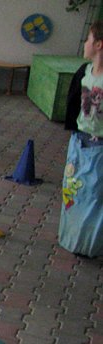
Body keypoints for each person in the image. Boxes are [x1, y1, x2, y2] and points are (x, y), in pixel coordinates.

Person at [59, 21, 103, 258]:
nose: (84, 44)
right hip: (79, 142)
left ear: (98, 44)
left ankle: (89, 244)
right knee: (74, 191)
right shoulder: (84, 74)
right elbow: (74, 105)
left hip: (100, 147)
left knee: (94, 195)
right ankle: (73, 238)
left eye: (88, 39)